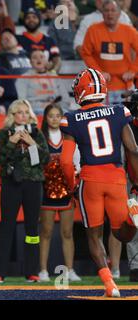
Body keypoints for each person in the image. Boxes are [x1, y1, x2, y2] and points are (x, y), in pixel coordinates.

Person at [59, 68, 138, 297]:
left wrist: (71, 184)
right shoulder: (118, 111)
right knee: (123, 234)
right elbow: (132, 148)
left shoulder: (71, 118)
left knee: (94, 235)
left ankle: (110, 285)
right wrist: (136, 181)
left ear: (81, 90)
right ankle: (133, 221)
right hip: (115, 176)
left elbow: (65, 161)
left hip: (90, 179)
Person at [0, 99, 50, 283]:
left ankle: (32, 271)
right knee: (6, 227)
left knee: (32, 229)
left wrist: (32, 143)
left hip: (33, 184)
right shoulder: (3, 133)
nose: (23, 115)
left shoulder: (37, 133)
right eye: (19, 112)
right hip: (11, 184)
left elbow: (45, 159)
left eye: (26, 112)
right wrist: (11, 142)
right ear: (12, 115)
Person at [38, 103, 82, 282]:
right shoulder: (40, 138)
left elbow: (77, 163)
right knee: (46, 232)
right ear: (46, 118)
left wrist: (75, 174)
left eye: (58, 115)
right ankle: (42, 271)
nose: (54, 119)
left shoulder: (69, 137)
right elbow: (36, 162)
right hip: (46, 190)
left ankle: (70, 270)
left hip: (66, 190)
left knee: (67, 232)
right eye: (51, 116)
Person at [80, 0, 138, 105]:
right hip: (101, 86)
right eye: (106, 10)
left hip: (126, 87)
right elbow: (85, 53)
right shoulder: (93, 30)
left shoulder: (130, 31)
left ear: (119, 13)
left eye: (113, 10)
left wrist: (133, 70)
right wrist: (98, 72)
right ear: (102, 13)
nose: (110, 14)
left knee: (127, 119)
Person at [15, 49, 71, 115]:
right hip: (35, 110)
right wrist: (42, 106)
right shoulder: (23, 78)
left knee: (67, 114)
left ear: (46, 61)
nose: (38, 59)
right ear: (30, 62)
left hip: (57, 109)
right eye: (35, 57)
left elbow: (66, 100)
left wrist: (54, 106)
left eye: (42, 57)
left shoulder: (54, 77)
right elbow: (22, 102)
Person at [17, 7, 61, 73]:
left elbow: (57, 59)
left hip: (46, 77)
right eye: (28, 18)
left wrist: (53, 71)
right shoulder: (17, 39)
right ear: (24, 21)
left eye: (34, 17)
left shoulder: (49, 40)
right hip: (26, 77)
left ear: (39, 20)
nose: (31, 20)